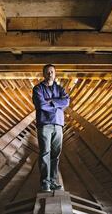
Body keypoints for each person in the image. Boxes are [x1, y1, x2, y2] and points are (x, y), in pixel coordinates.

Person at [32, 64, 70, 192]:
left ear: (55, 74)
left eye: (52, 72)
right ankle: (45, 183)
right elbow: (41, 104)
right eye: (47, 72)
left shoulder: (60, 89)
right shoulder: (37, 89)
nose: (50, 74)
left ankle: (53, 181)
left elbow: (66, 101)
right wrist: (57, 105)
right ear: (44, 74)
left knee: (55, 155)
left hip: (58, 125)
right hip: (44, 125)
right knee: (45, 153)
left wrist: (51, 102)